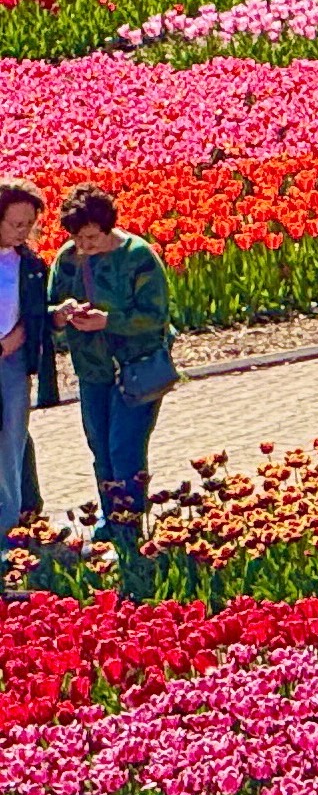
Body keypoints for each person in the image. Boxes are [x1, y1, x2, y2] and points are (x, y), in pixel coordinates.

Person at [49, 187, 171, 568]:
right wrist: (63, 314)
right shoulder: (68, 259)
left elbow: (155, 316)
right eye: (78, 238)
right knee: (100, 446)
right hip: (91, 370)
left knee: (124, 448)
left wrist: (109, 321)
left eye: (92, 237)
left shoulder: (138, 256)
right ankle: (110, 519)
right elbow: (49, 309)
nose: (85, 246)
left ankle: (130, 525)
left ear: (108, 227)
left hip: (135, 368)